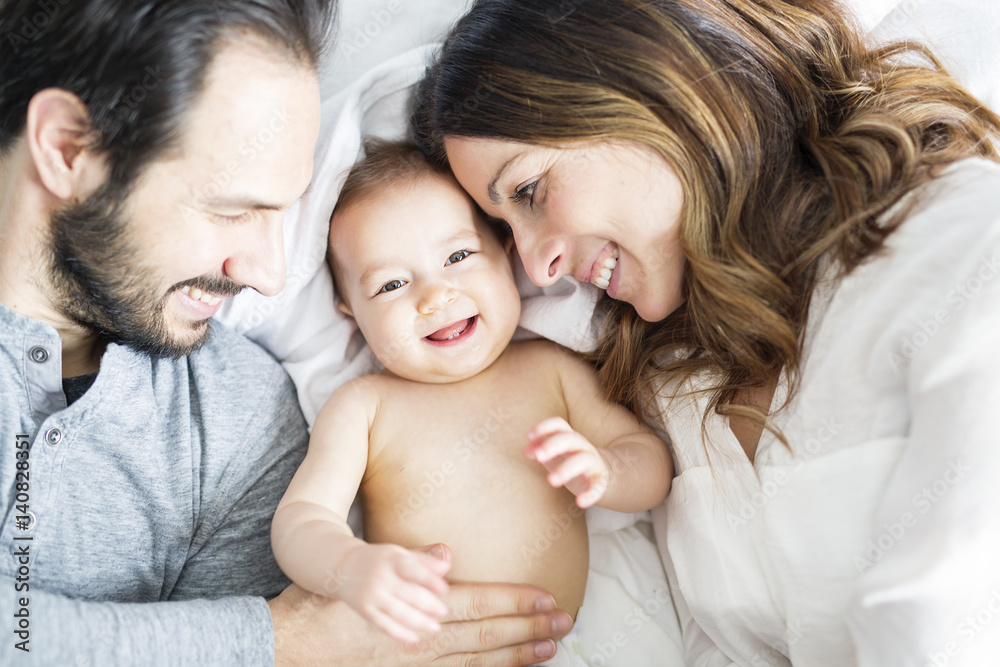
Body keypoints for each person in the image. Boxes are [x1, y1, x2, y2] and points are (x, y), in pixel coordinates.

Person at [413, 0, 1000, 664]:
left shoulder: (965, 245)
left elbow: (946, 628)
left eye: (529, 191)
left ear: (650, 85)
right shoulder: (677, 391)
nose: (536, 267)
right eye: (505, 231)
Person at [0, 2, 573, 665]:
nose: (269, 275)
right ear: (67, 147)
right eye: (234, 210)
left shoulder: (240, 419)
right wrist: (279, 639)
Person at [270, 140, 673, 663]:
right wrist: (348, 567)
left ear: (508, 258)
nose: (434, 296)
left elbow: (651, 462)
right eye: (391, 284)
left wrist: (608, 470)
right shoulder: (364, 407)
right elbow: (301, 520)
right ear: (350, 311)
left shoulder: (552, 370)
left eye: (457, 257)